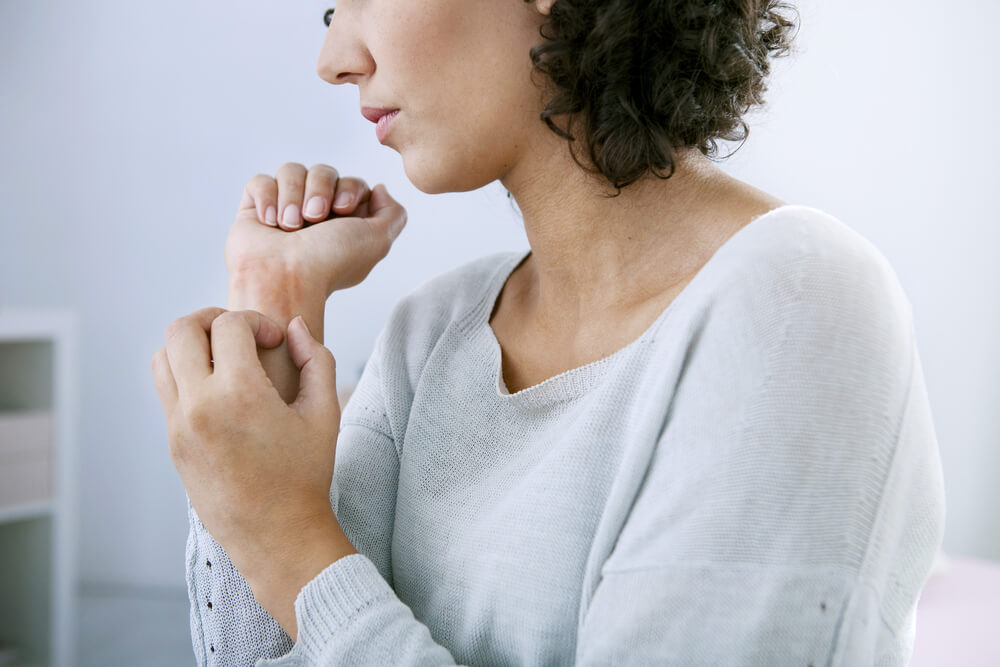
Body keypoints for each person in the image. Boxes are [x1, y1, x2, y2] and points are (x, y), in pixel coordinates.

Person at [151, 1, 946, 665]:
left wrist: (291, 537)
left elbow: (297, 566)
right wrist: (277, 302)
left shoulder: (799, 298)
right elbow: (256, 646)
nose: (333, 58)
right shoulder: (431, 334)